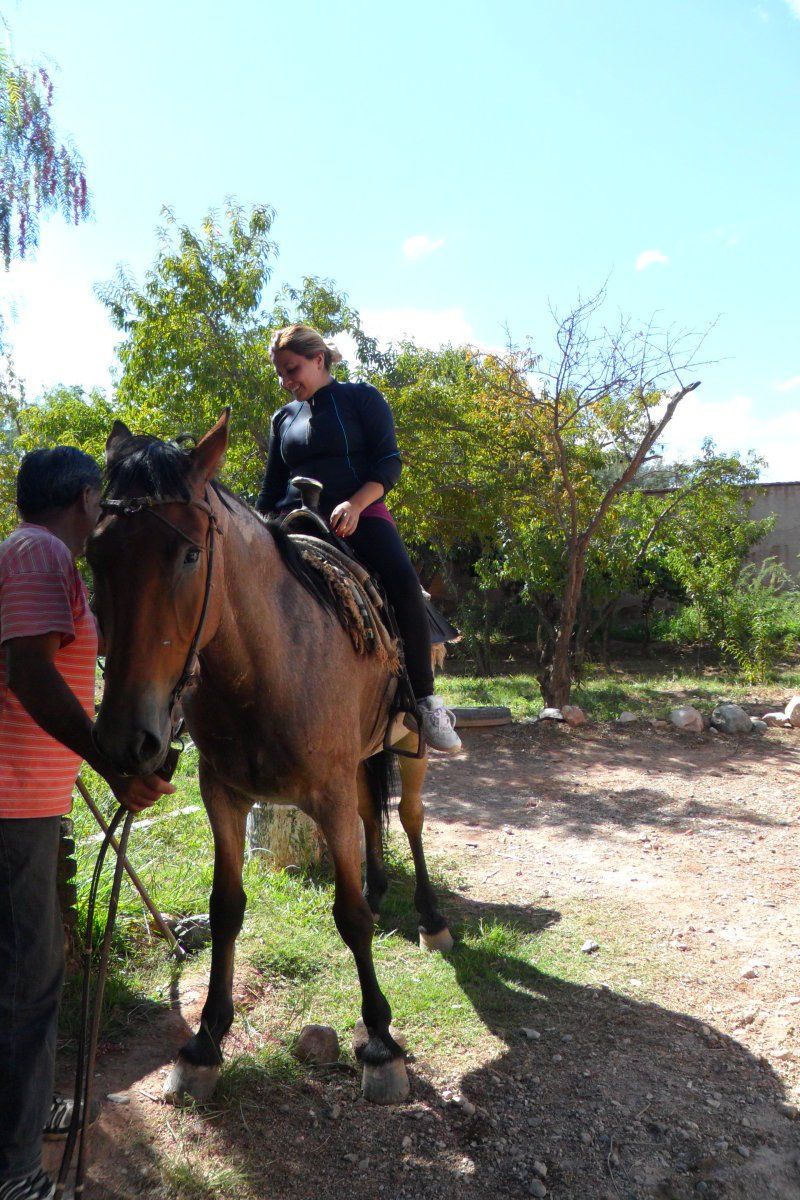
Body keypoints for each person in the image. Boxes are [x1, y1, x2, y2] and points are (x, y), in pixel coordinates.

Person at [0, 448, 175, 1200]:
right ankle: (13, 1168)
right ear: (80, 495)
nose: (102, 510)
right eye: (100, 498)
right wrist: (107, 763)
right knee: (26, 984)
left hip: (27, 802)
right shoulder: (38, 551)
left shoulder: (45, 565)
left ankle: (29, 1107)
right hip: (10, 809)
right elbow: (29, 670)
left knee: (32, 973)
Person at [256, 324, 461, 754]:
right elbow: (271, 488)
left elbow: (388, 464)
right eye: (280, 373)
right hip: (291, 522)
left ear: (319, 359)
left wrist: (354, 504)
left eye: (292, 369)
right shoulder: (282, 419)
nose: (286, 380)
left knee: (404, 582)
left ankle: (425, 701)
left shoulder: (361, 398)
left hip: (359, 513)